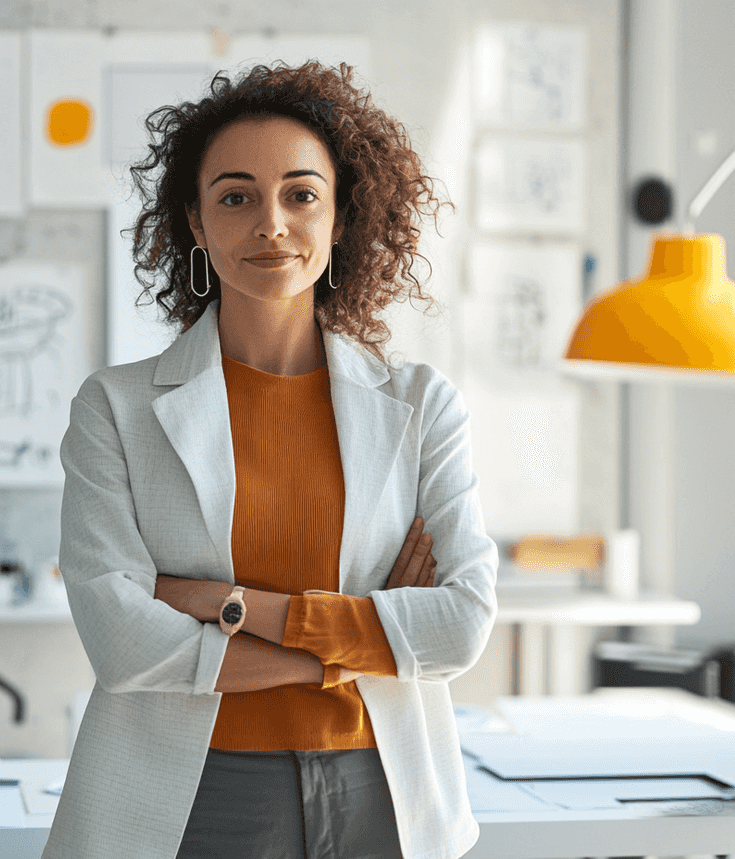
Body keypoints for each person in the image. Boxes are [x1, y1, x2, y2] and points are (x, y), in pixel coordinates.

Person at [43, 61, 498, 859]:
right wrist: (360, 643)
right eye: (236, 195)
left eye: (301, 194)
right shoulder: (115, 410)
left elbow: (459, 625)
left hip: (384, 789)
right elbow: (122, 642)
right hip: (193, 793)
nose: (272, 224)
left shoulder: (422, 404)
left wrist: (229, 604)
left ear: (340, 217)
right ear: (194, 219)